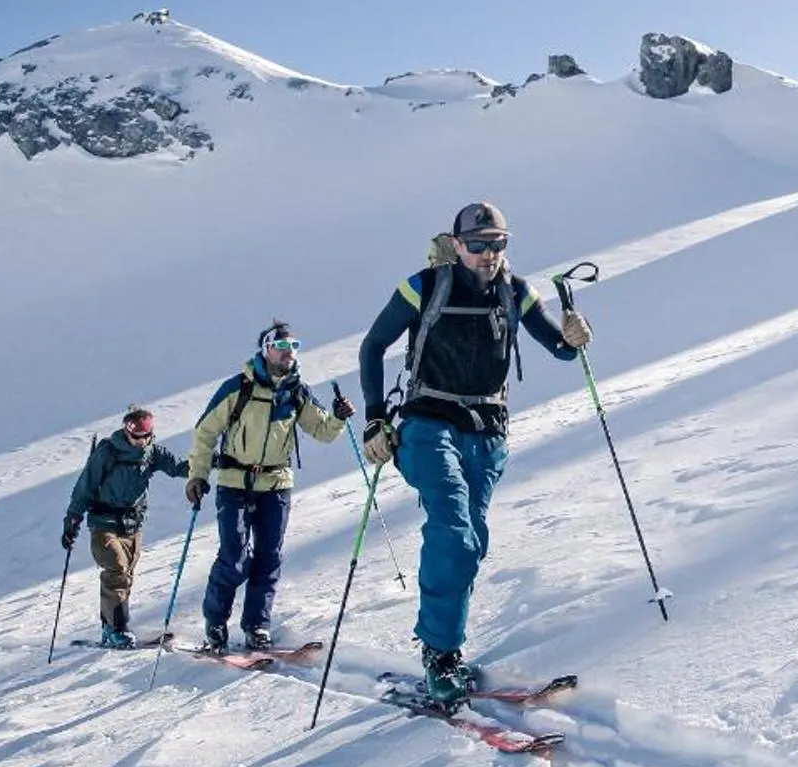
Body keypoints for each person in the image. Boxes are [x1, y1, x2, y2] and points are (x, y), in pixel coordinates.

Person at [356, 202, 591, 700]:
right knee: (455, 533)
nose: (489, 254)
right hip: (426, 422)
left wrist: (576, 336)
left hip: (487, 430)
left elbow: (561, 349)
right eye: (479, 244)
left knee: (471, 541)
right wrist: (376, 418)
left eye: (498, 243)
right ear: (457, 244)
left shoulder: (516, 291)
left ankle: (443, 648)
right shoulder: (424, 286)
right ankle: (440, 656)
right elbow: (372, 345)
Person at [185, 321, 353, 652]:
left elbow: (322, 431)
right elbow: (205, 432)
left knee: (268, 556)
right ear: (266, 350)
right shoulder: (238, 388)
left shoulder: (297, 391)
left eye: (295, 346)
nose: (289, 352)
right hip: (235, 482)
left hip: (276, 483)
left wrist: (338, 417)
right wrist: (197, 475)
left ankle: (257, 625)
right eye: (282, 346)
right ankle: (215, 621)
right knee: (234, 557)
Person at [62, 406, 189, 648]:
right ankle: (116, 628)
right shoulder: (108, 452)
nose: (141, 442)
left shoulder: (152, 453)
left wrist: (210, 462)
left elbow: (178, 468)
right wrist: (72, 519)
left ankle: (110, 627)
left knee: (125, 576)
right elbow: (85, 486)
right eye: (136, 437)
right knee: (117, 570)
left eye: (145, 437)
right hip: (104, 524)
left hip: (133, 525)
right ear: (126, 432)